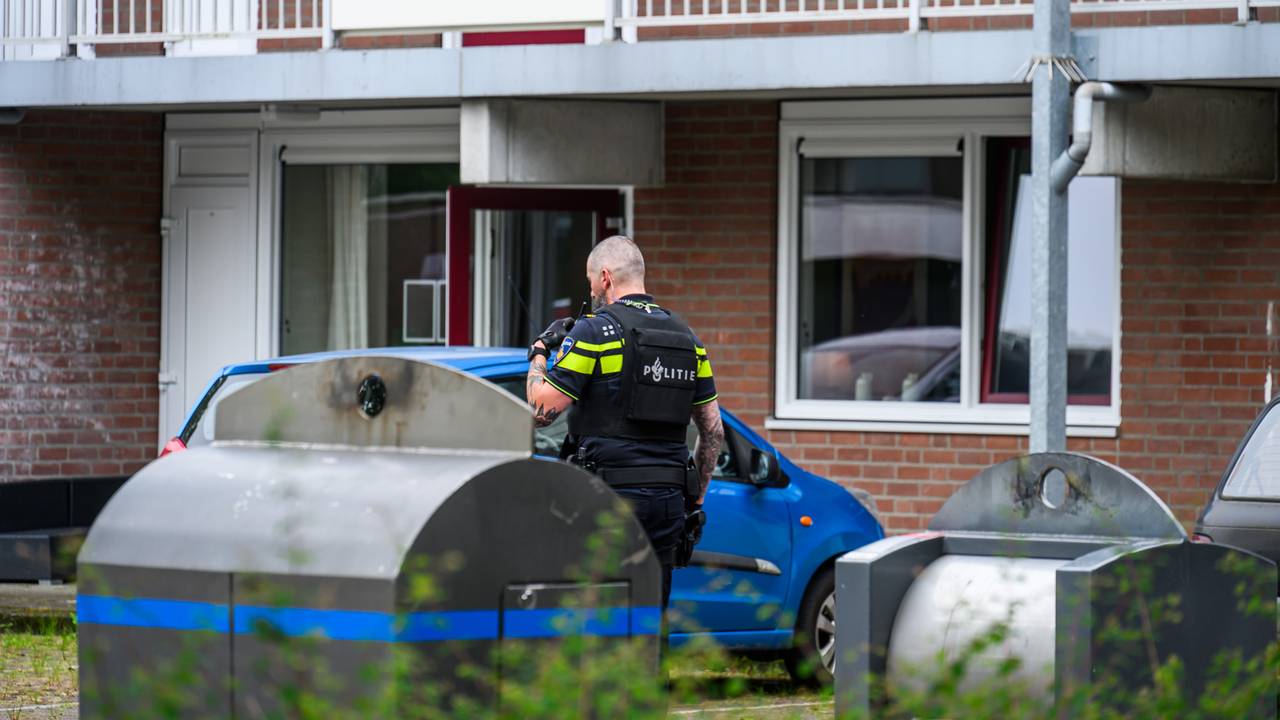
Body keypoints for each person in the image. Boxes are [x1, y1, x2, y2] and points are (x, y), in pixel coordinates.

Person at [525, 235, 724, 610]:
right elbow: (712, 431)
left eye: (590, 283)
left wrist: (539, 353)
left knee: (599, 616)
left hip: (608, 499)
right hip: (667, 504)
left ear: (605, 278)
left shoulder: (594, 332)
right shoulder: (689, 340)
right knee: (652, 615)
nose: (593, 292)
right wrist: (694, 497)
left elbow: (541, 411)